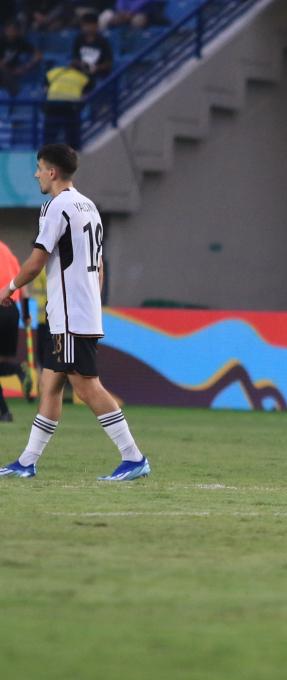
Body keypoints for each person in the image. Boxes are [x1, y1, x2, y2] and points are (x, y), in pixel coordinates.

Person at [0, 144, 150, 481]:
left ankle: (133, 456)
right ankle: (27, 461)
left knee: (85, 386)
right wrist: (91, 303)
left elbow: (37, 261)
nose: (37, 174)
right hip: (78, 311)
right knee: (50, 383)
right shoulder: (89, 206)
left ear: (52, 172)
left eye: (39, 168)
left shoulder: (56, 208)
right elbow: (98, 266)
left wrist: (9, 288)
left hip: (69, 315)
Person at [0, 238, 28, 422]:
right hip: (13, 310)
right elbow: (23, 285)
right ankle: (18, 369)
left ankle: (3, 412)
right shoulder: (7, 250)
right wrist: (26, 314)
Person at [70, 12, 112, 86]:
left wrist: (96, 68)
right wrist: (81, 65)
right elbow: (74, 58)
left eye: (89, 25)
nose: (87, 28)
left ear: (96, 25)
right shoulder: (79, 39)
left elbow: (108, 63)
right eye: (84, 25)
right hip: (81, 71)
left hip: (97, 73)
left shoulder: (103, 41)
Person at [0, 19, 41, 96]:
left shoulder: (20, 42)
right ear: (5, 30)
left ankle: (15, 92)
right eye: (9, 29)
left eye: (13, 29)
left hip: (14, 71)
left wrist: (26, 67)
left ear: (17, 31)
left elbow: (38, 55)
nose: (11, 31)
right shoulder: (1, 41)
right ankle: (15, 90)